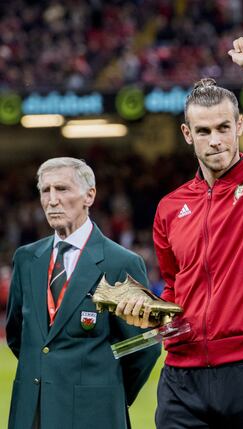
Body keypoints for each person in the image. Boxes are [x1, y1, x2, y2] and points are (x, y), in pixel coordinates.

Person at [116, 35, 243, 428]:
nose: (216, 141)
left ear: (239, 126)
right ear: (187, 134)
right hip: (181, 375)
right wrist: (155, 312)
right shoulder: (170, 207)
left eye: (224, 128)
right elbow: (175, 284)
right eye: (204, 131)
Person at [6, 157, 161, 429]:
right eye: (46, 190)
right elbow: (18, 335)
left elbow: (143, 346)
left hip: (94, 415)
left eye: (62, 189)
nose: (52, 200)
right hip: (31, 413)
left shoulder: (120, 263)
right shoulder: (26, 259)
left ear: (89, 195)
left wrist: (103, 391)